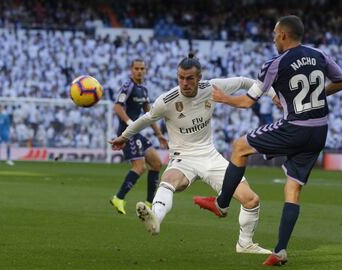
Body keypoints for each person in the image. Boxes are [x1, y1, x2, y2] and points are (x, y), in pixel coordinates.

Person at [194, 15, 342, 266]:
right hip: (320, 130)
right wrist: (315, 93)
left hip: (295, 127)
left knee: (239, 147)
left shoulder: (275, 64)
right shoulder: (320, 55)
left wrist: (224, 98)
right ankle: (280, 251)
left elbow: (246, 102)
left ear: (284, 36)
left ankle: (222, 204)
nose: (273, 38)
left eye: (275, 34)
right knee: (293, 189)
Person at [109, 54, 274, 254]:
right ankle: (155, 219)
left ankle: (245, 244)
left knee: (251, 200)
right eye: (181, 78)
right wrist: (124, 136)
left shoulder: (210, 88)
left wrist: (272, 94)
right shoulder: (167, 100)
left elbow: (244, 82)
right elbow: (146, 118)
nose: (184, 83)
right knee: (168, 180)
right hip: (183, 157)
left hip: (210, 156)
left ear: (199, 77)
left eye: (189, 78)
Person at [110, 59, 168, 215]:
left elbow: (149, 113)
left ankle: (149, 203)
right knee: (139, 167)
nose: (139, 71)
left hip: (136, 132)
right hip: (126, 134)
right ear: (131, 70)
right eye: (136, 68)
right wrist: (130, 124)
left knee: (156, 163)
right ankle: (118, 198)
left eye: (142, 68)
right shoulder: (127, 87)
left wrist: (159, 134)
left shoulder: (143, 89)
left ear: (146, 70)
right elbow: (117, 106)